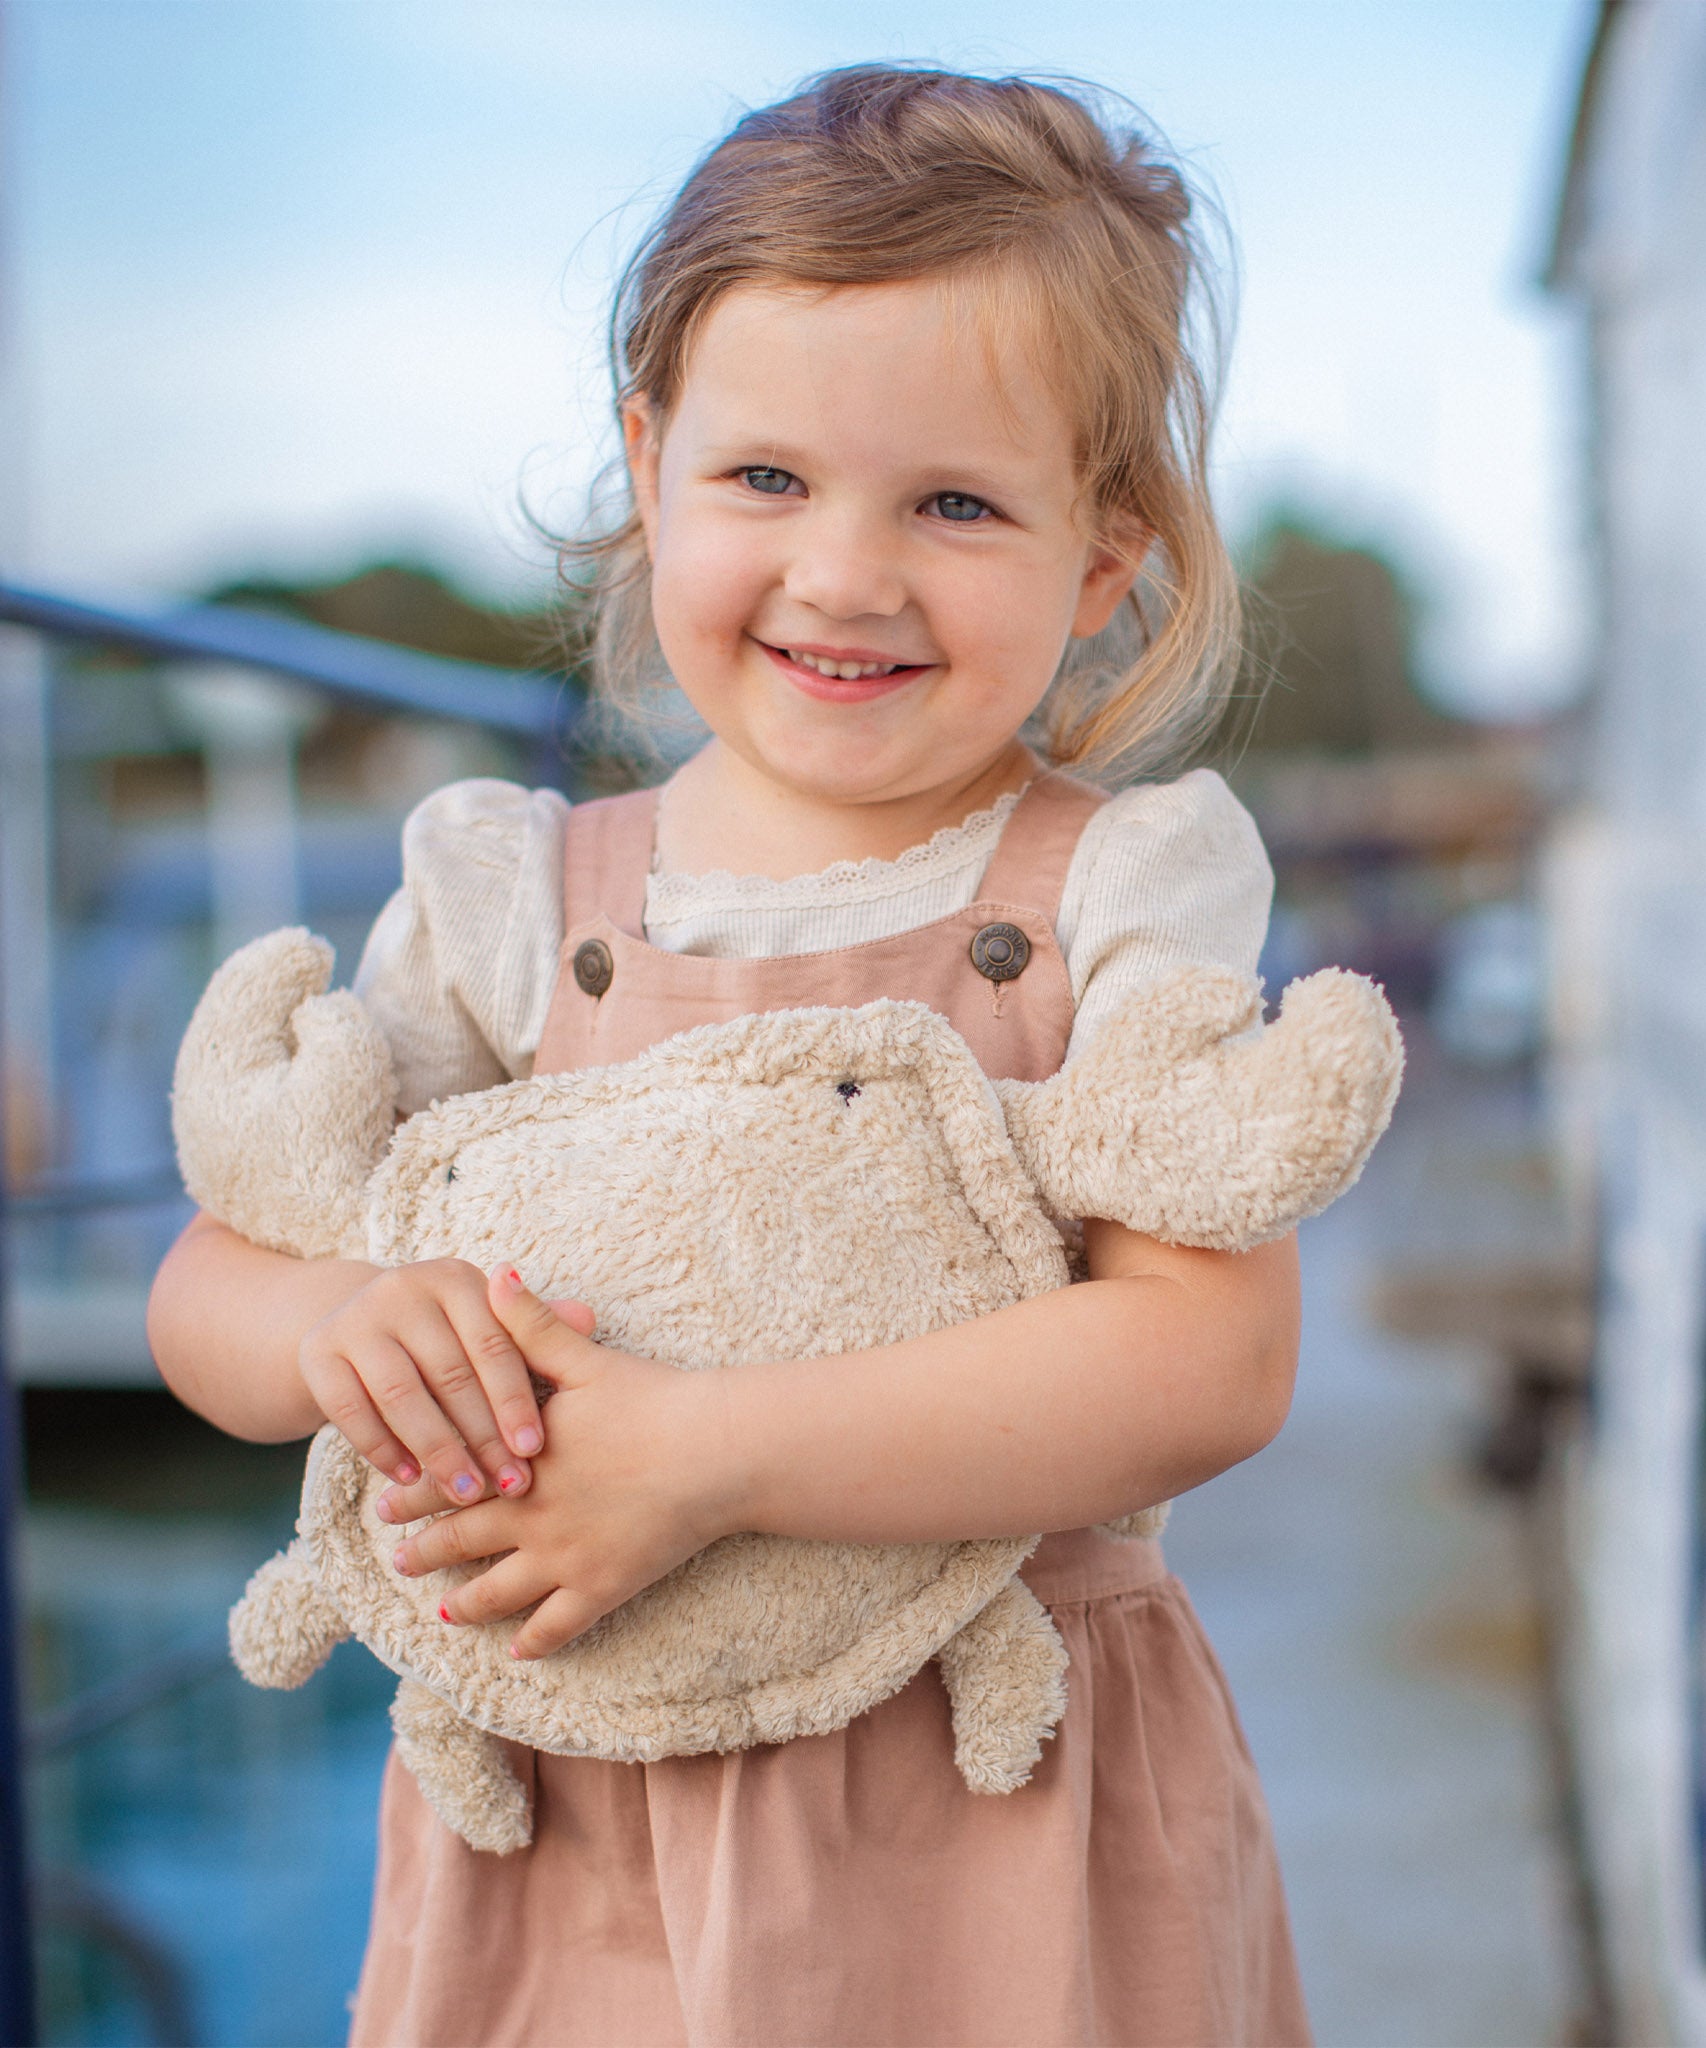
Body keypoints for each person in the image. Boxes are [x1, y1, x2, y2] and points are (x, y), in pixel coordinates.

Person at [148, 64, 1311, 2047]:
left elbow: (1207, 1354)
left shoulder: (1123, 883)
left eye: (953, 502)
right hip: (575, 1852)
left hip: (1000, 1820)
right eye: (765, 479)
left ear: (1100, 561)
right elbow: (204, 1289)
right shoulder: (512, 895)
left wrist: (701, 1457)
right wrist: (342, 1313)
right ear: (648, 463)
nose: (844, 572)